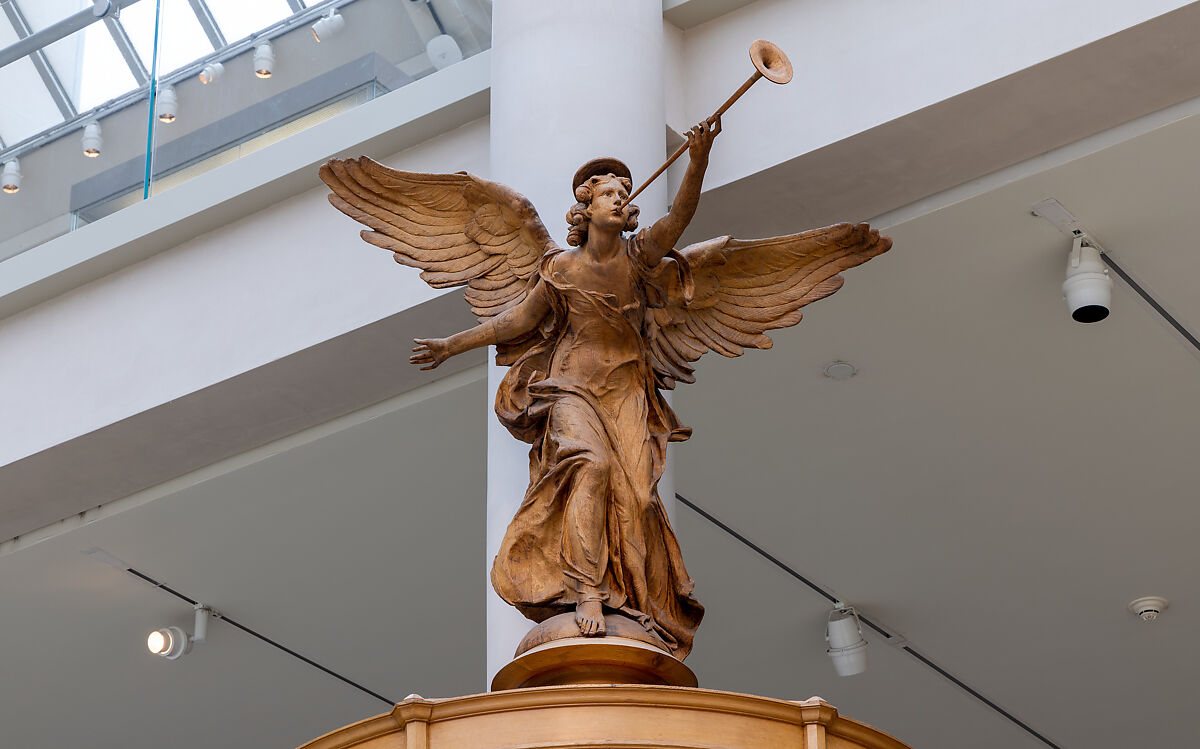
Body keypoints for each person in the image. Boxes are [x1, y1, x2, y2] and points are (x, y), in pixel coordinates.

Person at [408, 118, 723, 657]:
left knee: (636, 499)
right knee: (591, 466)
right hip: (571, 387)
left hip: (626, 390)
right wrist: (451, 345)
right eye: (609, 192)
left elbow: (682, 215)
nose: (620, 198)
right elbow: (513, 323)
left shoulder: (641, 256)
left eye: (625, 192)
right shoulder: (559, 268)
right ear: (586, 206)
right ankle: (587, 594)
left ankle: (634, 601)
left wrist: (697, 158)